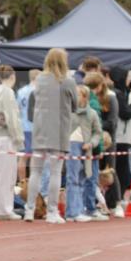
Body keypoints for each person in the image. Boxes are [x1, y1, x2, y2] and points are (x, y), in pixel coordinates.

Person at [25, 48, 78, 223]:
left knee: (35, 171)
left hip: (40, 131)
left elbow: (33, 103)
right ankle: (52, 212)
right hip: (59, 131)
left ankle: (29, 209)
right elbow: (75, 105)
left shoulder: (40, 79)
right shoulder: (68, 81)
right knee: (55, 172)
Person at [0, 64, 24, 219]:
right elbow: (12, 118)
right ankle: (5, 210)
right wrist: (19, 138)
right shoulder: (8, 92)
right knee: (7, 175)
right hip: (6, 137)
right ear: (12, 76)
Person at [65, 84, 102, 221]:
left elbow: (98, 133)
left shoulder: (92, 113)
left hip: (86, 149)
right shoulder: (68, 112)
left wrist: (91, 143)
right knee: (72, 179)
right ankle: (72, 213)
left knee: (82, 178)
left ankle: (78, 210)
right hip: (71, 146)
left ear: (85, 97)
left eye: (78, 94)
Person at [110, 67, 131, 209]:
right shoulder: (117, 94)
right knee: (121, 172)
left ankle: (115, 200)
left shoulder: (118, 92)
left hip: (120, 137)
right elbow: (125, 113)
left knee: (121, 170)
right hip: (120, 137)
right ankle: (114, 200)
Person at [16, 69, 40, 180]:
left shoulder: (21, 91)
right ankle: (34, 182)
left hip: (23, 127)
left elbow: (17, 109)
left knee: (23, 157)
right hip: (36, 128)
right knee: (35, 157)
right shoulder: (39, 92)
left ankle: (22, 183)